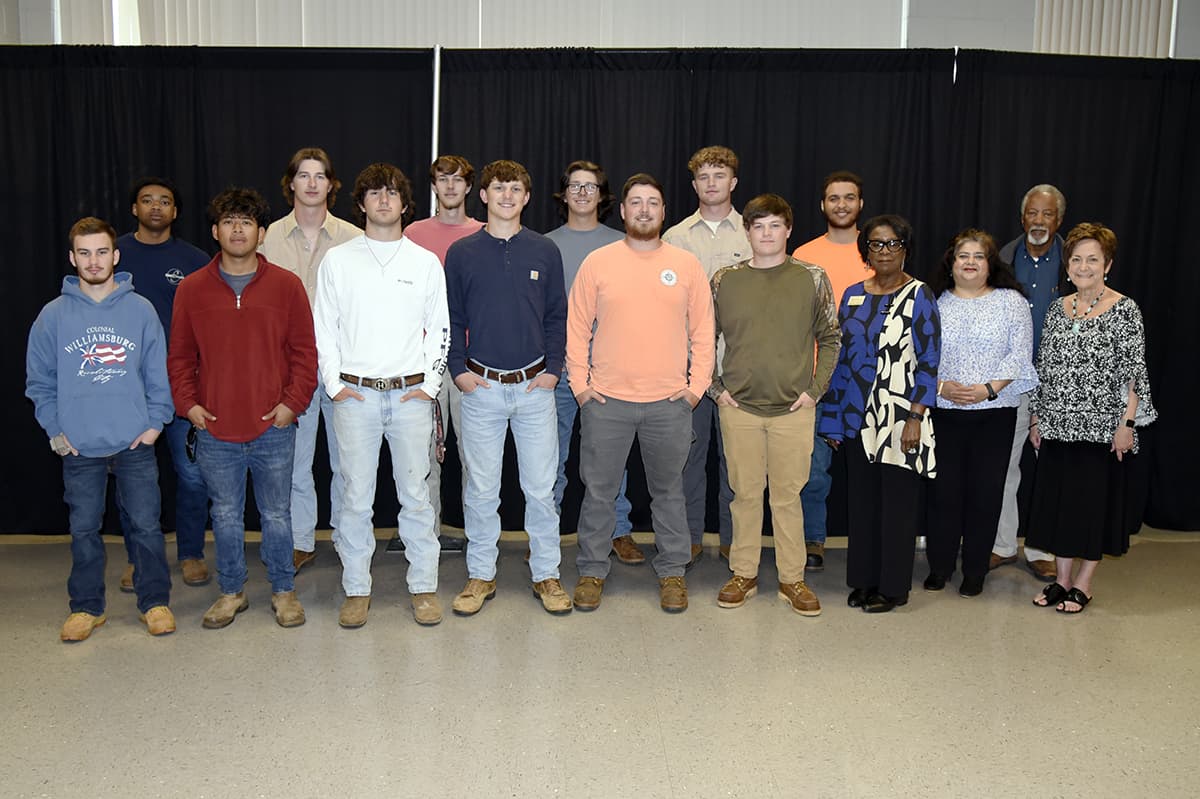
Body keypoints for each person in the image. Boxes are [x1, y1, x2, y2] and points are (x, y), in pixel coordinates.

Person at [169, 188, 317, 630]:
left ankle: (283, 590)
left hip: (274, 426)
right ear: (215, 231)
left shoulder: (286, 285)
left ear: (262, 232)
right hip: (215, 428)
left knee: (276, 514)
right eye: (229, 221)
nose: (238, 229)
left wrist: (292, 405)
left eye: (247, 222)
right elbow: (179, 357)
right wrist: (189, 405)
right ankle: (231, 592)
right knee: (226, 515)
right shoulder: (193, 288)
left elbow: (305, 355)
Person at [568, 173, 715, 613]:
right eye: (636, 202)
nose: (645, 209)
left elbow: (704, 334)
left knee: (668, 491)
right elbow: (577, 329)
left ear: (664, 211)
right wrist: (581, 387)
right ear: (624, 210)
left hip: (669, 404)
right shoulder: (599, 262)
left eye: (653, 202)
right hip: (606, 403)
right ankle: (592, 570)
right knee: (599, 492)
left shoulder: (686, 265)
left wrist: (694, 391)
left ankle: (672, 573)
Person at [27, 217, 176, 641]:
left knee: (147, 525)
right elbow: (39, 382)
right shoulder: (52, 316)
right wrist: (56, 430)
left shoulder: (140, 309)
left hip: (134, 442)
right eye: (85, 253)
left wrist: (155, 424)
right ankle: (87, 607)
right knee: (84, 529)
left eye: (101, 252)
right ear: (73, 258)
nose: (94, 261)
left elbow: (157, 374)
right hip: (79, 447)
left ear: (116, 255)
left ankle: (155, 601)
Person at [314, 162, 449, 628]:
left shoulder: (424, 262)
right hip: (356, 397)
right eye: (374, 193)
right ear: (361, 203)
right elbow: (323, 329)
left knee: (416, 496)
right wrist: (334, 385)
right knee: (355, 497)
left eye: (392, 192)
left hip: (412, 396)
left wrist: (430, 387)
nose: (384, 200)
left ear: (406, 204)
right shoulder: (339, 260)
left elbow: (440, 330)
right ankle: (356, 587)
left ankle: (424, 587)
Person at [446, 159, 572, 616]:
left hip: (534, 388)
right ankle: (481, 574)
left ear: (526, 197)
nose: (506, 195)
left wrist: (553, 369)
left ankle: (547, 575)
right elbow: (452, 318)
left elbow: (557, 315)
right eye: (497, 187)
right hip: (481, 389)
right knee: (481, 489)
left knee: (540, 489)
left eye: (515, 188)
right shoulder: (462, 252)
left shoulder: (544, 250)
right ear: (483, 195)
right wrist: (459, 370)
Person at [710, 194, 840, 615]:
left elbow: (831, 337)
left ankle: (792, 579)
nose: (766, 234)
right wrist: (717, 389)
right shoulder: (723, 280)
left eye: (774, 226)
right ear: (747, 232)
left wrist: (814, 390)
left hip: (793, 410)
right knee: (745, 495)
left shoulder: (812, 277)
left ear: (788, 230)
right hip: (739, 407)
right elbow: (699, 336)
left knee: (787, 497)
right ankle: (743, 573)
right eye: (758, 226)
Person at [1026, 223, 1156, 613]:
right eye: (1077, 259)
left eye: (1093, 259)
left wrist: (1127, 425)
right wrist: (1036, 417)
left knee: (1092, 507)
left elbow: (1135, 373)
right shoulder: (1057, 308)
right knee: (1060, 506)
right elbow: (1043, 367)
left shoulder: (1124, 308)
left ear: (1107, 264)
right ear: (1067, 267)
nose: (1084, 266)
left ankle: (1084, 583)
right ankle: (1061, 581)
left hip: (1103, 430)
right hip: (1057, 426)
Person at [817, 215, 940, 613]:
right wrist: (833, 419)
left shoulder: (920, 295)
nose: (884, 251)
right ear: (865, 250)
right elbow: (838, 361)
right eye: (876, 244)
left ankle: (893, 587)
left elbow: (929, 361)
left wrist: (916, 417)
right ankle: (865, 580)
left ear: (905, 248)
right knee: (863, 502)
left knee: (898, 505)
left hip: (900, 417)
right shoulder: (852, 294)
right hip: (857, 417)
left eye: (892, 243)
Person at [261, 147, 362, 575]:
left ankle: (344, 538)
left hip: (343, 363)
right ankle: (301, 541)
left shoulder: (355, 238)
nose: (312, 183)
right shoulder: (266, 239)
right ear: (291, 184)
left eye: (320, 175)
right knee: (296, 461)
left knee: (347, 461)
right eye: (303, 175)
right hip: (289, 367)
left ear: (331, 185)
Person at [924, 229, 1037, 597]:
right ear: (951, 263)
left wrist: (988, 388)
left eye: (979, 256)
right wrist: (942, 387)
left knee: (986, 495)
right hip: (945, 412)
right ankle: (939, 567)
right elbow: (920, 354)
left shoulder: (1012, 302)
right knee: (944, 494)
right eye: (963, 256)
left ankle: (975, 571)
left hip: (996, 412)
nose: (970, 262)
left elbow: (1020, 354)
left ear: (991, 264)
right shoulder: (934, 303)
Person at [115, 177, 211, 590]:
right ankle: (140, 559)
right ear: (135, 208)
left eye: (166, 201)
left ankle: (190, 553)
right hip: (126, 387)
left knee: (192, 476)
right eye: (147, 200)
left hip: (182, 383)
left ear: (176, 212)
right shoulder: (113, 255)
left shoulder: (193, 259)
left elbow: (210, 323)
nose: (156, 207)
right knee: (134, 479)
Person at [544, 159, 639, 564]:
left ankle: (618, 531)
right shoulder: (544, 245)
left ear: (602, 197)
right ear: (563, 194)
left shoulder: (624, 245)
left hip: (609, 373)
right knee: (551, 459)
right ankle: (545, 534)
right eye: (575, 186)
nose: (583, 193)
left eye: (591, 187)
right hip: (559, 371)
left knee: (611, 462)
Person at [662, 145, 749, 563]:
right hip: (687, 369)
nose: (711, 184)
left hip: (740, 368)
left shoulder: (754, 234)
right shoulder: (675, 238)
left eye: (719, 176)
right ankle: (690, 537)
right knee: (688, 457)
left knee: (736, 460)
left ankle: (736, 541)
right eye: (703, 177)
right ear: (694, 184)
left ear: (733, 182)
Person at [402, 154, 484, 553]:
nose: (450, 186)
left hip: (471, 362)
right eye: (442, 179)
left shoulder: (486, 233)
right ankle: (425, 542)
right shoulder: (412, 234)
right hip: (421, 363)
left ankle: (478, 543)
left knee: (475, 461)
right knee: (423, 461)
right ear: (433, 186)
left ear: (469, 187)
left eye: (457, 180)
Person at [792, 170, 871, 571]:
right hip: (818, 379)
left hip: (868, 381)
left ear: (860, 204)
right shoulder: (804, 256)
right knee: (814, 470)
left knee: (870, 469)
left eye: (849, 197)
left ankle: (872, 540)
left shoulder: (877, 253)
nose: (842, 205)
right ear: (823, 206)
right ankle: (813, 540)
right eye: (834, 198)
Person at [991, 184, 1067, 582]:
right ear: (1022, 219)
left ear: (1059, 220)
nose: (1039, 221)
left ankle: (1041, 549)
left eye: (1048, 214)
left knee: (1051, 469)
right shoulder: (1001, 259)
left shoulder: (1075, 260)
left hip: (1061, 384)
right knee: (1006, 464)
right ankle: (1003, 545)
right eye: (1033, 214)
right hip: (1014, 379)